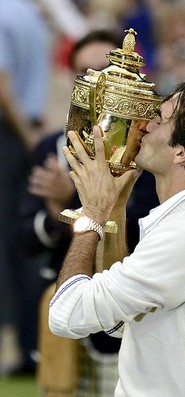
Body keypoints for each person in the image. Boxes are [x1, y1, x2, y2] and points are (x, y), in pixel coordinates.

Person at [49, 77, 185, 397]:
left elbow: (66, 313)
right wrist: (115, 211)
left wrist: (92, 213)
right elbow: (120, 320)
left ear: (182, 153)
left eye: (159, 119)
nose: (144, 124)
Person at [17, 30, 123, 394]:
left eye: (102, 71)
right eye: (83, 73)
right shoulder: (50, 146)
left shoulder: (142, 149)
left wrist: (69, 203)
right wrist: (63, 209)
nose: (93, 83)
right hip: (62, 313)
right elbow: (26, 239)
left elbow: (140, 231)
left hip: (121, 317)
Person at [0, 0, 50, 376]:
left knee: (8, 243)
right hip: (26, 128)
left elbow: (2, 85)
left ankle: (14, 345)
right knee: (21, 240)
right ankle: (33, 344)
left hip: (9, 134)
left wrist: (27, 135)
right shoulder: (31, 14)